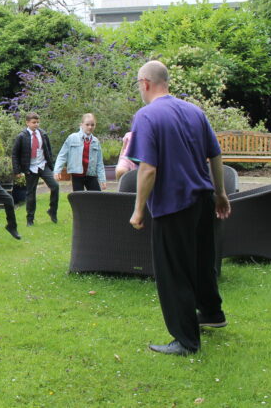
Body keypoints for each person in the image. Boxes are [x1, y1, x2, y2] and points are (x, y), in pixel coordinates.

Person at [128, 60, 231, 356]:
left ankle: (186, 340)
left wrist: (138, 210)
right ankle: (212, 314)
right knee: (201, 264)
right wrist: (221, 194)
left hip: (173, 205)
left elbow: (148, 169)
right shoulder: (195, 111)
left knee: (173, 271)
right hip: (203, 201)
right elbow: (215, 155)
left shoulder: (147, 116)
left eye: (138, 84)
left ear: (145, 83)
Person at [11, 112, 59, 224]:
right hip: (30, 168)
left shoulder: (43, 134)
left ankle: (52, 211)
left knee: (55, 187)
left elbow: (48, 150)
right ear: (27, 123)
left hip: (43, 165)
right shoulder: (22, 136)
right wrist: (17, 170)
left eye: (37, 122)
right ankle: (30, 219)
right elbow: (15, 154)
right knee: (30, 193)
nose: (36, 124)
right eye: (33, 122)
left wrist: (51, 164)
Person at [53, 113, 107, 192]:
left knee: (97, 198)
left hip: (91, 174)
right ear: (81, 125)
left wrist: (102, 179)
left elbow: (99, 162)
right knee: (78, 199)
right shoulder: (72, 138)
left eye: (92, 125)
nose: (90, 127)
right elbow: (62, 155)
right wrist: (57, 170)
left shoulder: (95, 141)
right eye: (87, 124)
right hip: (77, 175)